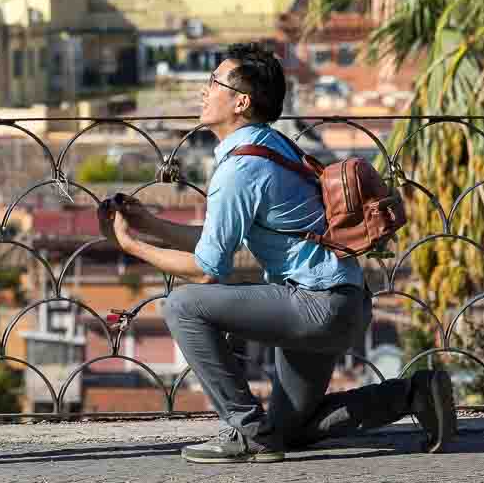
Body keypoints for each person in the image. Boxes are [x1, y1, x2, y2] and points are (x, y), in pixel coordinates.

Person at [98, 42, 456, 465]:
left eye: (214, 82)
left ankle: (246, 431)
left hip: (314, 306)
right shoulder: (271, 145)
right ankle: (413, 393)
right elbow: (216, 240)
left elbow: (207, 270)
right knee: (289, 431)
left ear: (241, 101)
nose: (204, 90)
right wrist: (150, 225)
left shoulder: (238, 169)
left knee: (182, 307)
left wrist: (129, 245)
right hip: (344, 300)